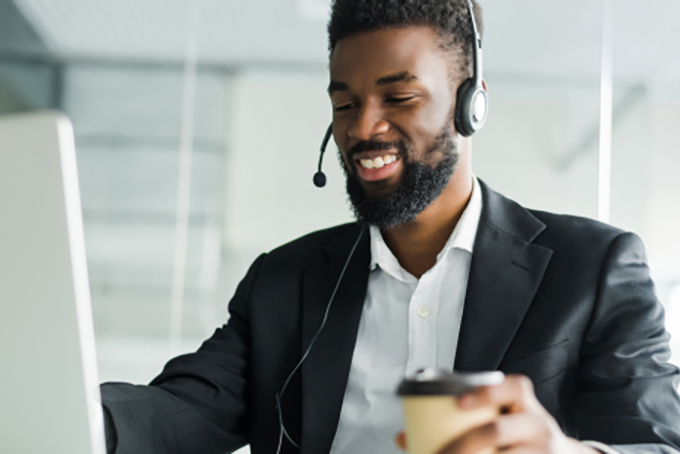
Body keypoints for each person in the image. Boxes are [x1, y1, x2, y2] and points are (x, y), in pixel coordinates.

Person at [100, 1, 680, 453]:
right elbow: (180, 413)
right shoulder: (284, 281)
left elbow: (655, 441)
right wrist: (65, 410)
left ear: (469, 103)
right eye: (345, 104)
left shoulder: (594, 268)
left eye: (398, 96)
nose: (363, 128)